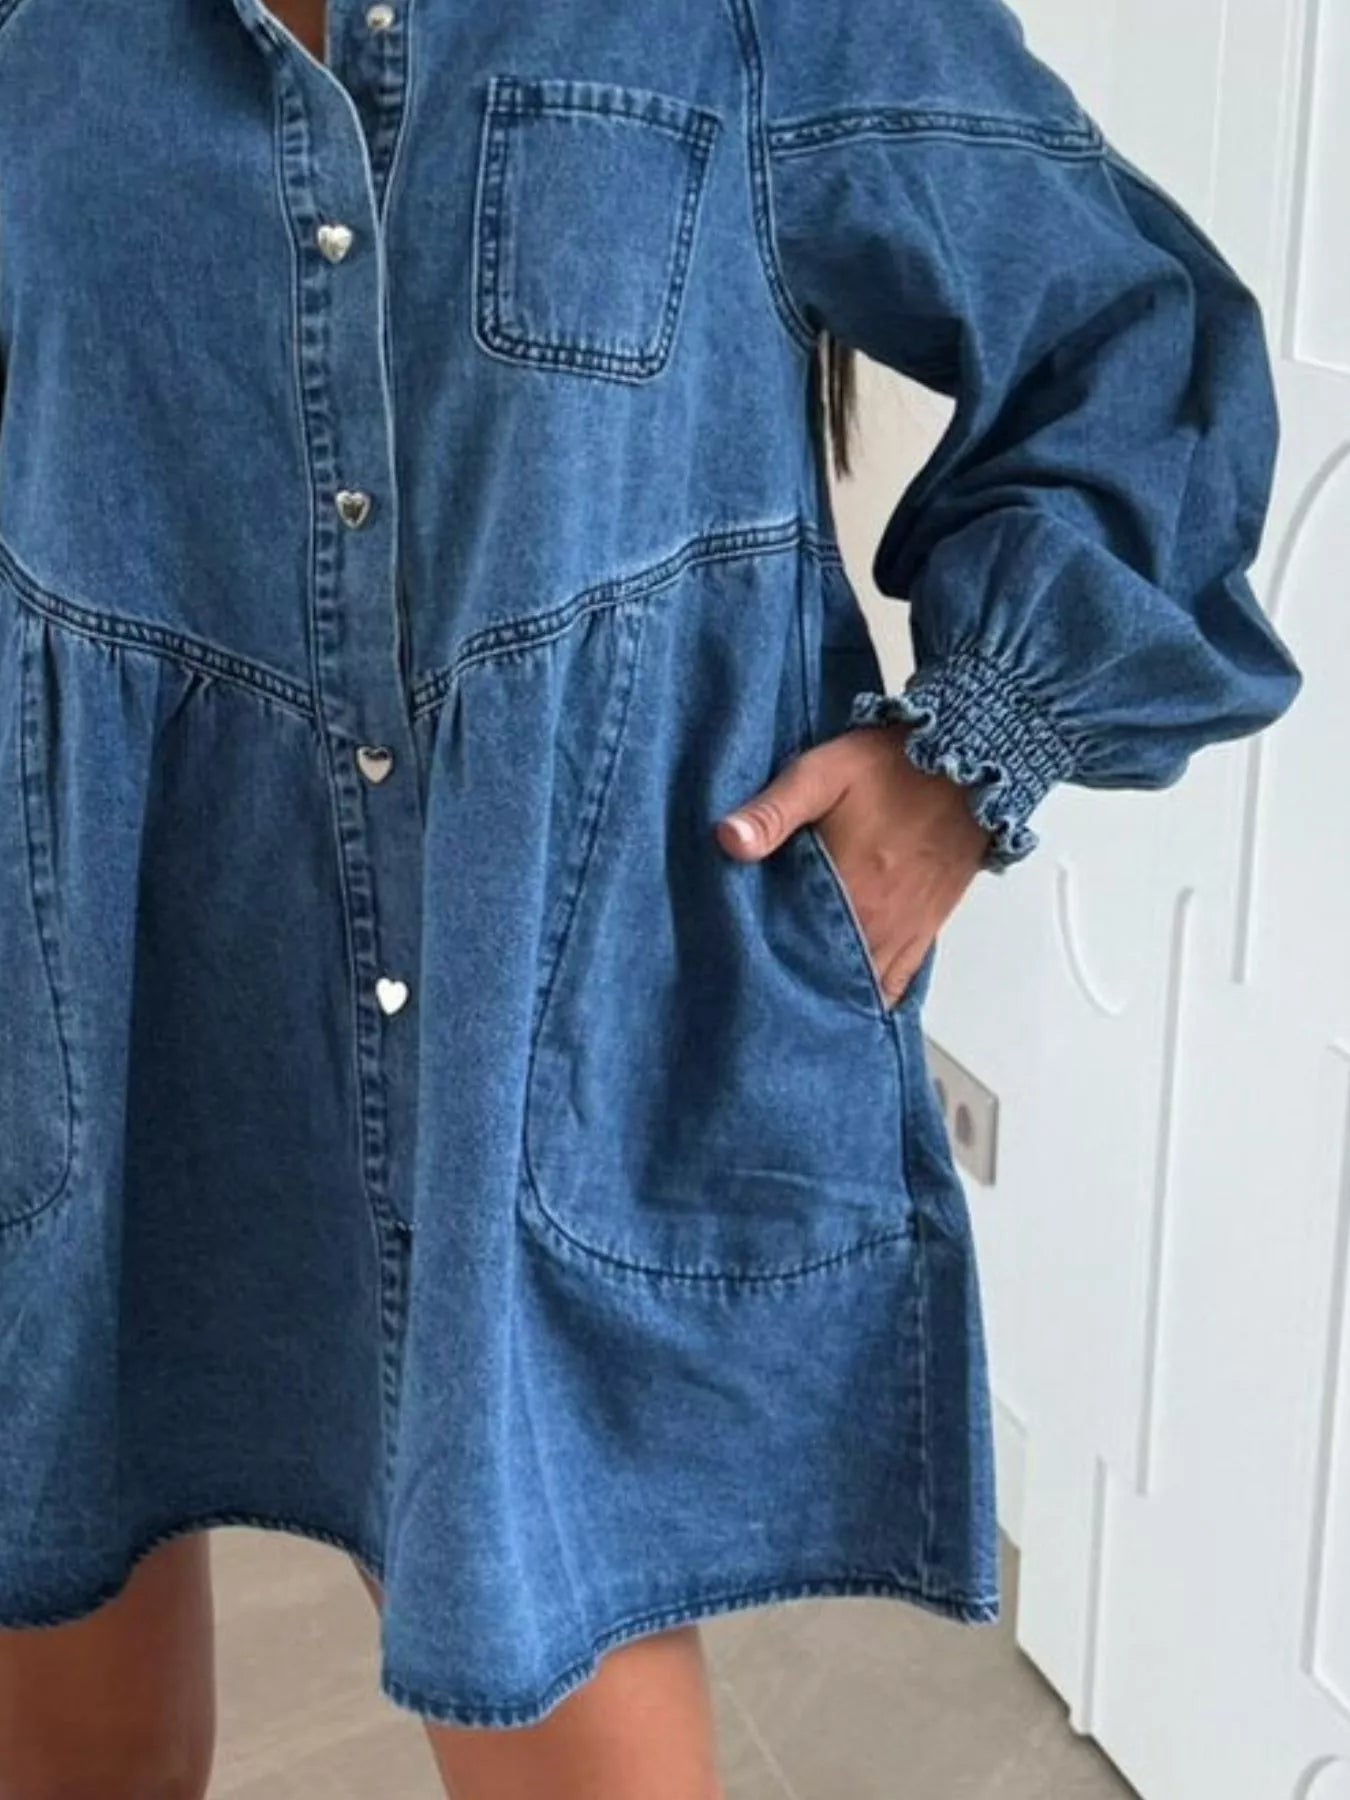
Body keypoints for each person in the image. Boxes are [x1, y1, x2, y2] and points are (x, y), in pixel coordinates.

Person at [0, 0, 1302, 1793]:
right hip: (86, 1007)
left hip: (545, 1055)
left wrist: (963, 759)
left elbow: (1129, 330)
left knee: (558, 1689)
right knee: (67, 1687)